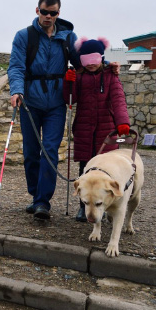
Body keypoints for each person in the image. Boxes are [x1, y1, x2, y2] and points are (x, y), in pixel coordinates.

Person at [7, 0, 82, 221]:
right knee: (31, 153)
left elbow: (85, 61)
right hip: (30, 102)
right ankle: (35, 195)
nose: (48, 16)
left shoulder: (68, 37)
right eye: (44, 12)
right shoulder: (24, 36)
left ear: (59, 13)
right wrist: (16, 90)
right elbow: (16, 67)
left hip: (57, 103)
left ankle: (42, 202)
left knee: (49, 151)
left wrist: (107, 65)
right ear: (37, 10)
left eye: (53, 13)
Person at [63, 37, 130, 222]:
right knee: (85, 171)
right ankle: (83, 207)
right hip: (84, 130)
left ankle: (110, 206)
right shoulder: (79, 76)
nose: (91, 65)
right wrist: (68, 83)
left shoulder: (110, 76)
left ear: (101, 58)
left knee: (109, 171)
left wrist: (122, 122)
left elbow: (118, 100)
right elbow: (70, 99)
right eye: (86, 61)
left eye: (94, 60)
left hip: (106, 130)